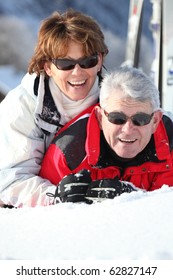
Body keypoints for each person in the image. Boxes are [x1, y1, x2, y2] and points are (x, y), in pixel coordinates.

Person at [0, 9, 108, 207]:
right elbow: (10, 180)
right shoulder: (23, 106)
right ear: (47, 66)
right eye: (65, 63)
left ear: (99, 60)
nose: (78, 72)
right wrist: (57, 196)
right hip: (42, 213)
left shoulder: (118, 98)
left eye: (87, 61)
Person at [40, 66, 173, 204]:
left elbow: (165, 217)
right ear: (99, 117)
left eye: (140, 119)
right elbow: (38, 216)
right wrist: (57, 202)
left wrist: (134, 199)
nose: (127, 129)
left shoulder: (171, 148)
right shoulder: (68, 153)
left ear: (155, 121)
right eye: (117, 118)